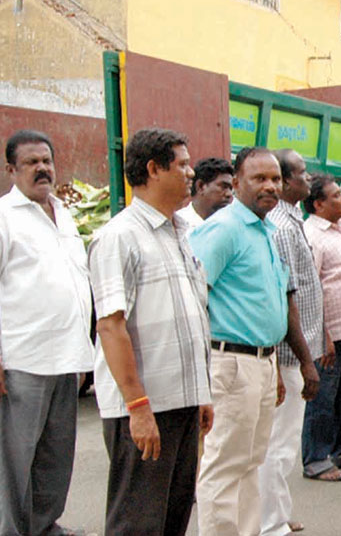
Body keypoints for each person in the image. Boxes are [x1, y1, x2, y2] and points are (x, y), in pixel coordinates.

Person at [89, 128, 214, 535]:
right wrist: (138, 406)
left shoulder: (182, 233)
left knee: (174, 515)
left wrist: (201, 396)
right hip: (145, 407)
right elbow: (110, 326)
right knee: (138, 521)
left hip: (182, 404)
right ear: (153, 169)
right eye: (181, 164)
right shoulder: (119, 237)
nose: (191, 172)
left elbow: (192, 315)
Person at [192, 147, 319, 536]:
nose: (270, 186)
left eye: (275, 179)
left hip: (262, 363)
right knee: (224, 467)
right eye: (259, 179)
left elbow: (276, 304)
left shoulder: (266, 232)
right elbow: (196, 299)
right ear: (236, 182)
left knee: (250, 463)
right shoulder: (224, 229)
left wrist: (273, 367)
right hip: (231, 364)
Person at [0, 130, 92, 536]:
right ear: (11, 170)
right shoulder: (4, 218)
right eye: (32, 162)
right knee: (13, 460)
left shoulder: (64, 215)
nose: (43, 169)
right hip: (23, 360)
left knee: (55, 456)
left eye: (47, 161)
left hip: (66, 359)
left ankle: (42, 525)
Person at [258, 149, 323, 536]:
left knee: (282, 444)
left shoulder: (291, 219)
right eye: (300, 173)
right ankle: (270, 522)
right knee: (278, 446)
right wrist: (304, 359)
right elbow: (287, 299)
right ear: (284, 180)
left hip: (300, 351)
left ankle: (278, 514)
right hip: (287, 355)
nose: (308, 178)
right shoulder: (281, 228)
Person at [301, 174, 341, 482]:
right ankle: (316, 458)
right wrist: (322, 334)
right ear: (318, 204)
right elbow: (310, 288)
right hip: (330, 334)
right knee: (323, 398)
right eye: (336, 195)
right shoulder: (312, 235)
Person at [175, 156, 234, 229]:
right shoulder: (176, 225)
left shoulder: (232, 227)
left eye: (231, 189)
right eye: (223, 187)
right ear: (201, 186)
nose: (229, 194)